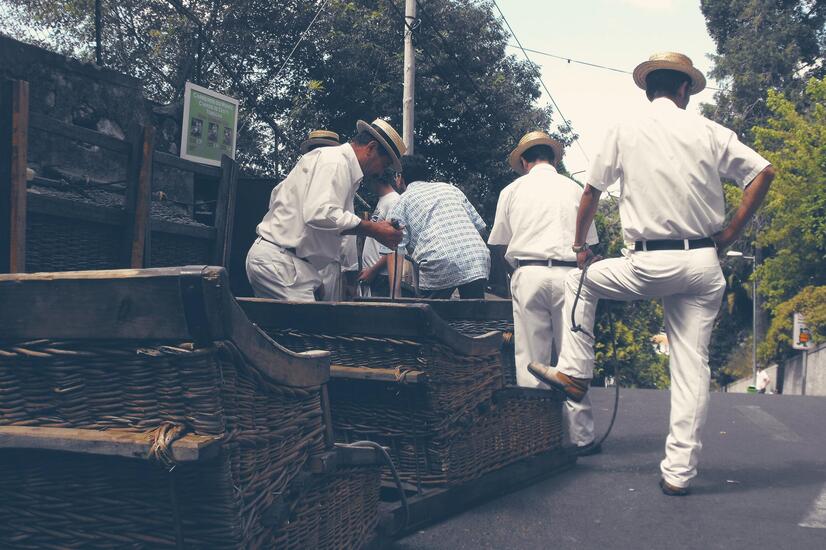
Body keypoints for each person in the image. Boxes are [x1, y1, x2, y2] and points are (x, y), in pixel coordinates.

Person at [528, 52, 775, 496]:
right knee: (690, 368)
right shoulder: (709, 130)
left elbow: (590, 194)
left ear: (648, 89)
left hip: (647, 263)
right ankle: (679, 474)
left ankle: (576, 373)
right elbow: (762, 172)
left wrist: (581, 245)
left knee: (578, 280)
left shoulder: (624, 129)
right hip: (702, 264)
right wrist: (731, 232)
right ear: (684, 90)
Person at [488, 131, 601, 456]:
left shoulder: (512, 190)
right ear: (555, 159)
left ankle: (533, 439)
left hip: (529, 271)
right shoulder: (574, 188)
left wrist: (514, 278)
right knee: (573, 355)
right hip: (570, 275)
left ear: (524, 161)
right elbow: (589, 245)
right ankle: (582, 438)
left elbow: (500, 244)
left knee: (531, 359)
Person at [246, 119, 406, 301]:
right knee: (310, 327)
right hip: (281, 262)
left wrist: (311, 276)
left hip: (287, 262)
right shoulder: (335, 163)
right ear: (370, 148)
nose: (379, 172)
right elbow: (320, 213)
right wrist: (373, 229)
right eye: (383, 165)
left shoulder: (336, 164)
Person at [388, 154, 490, 299]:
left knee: (431, 316)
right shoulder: (450, 189)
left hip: (439, 261)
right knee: (474, 316)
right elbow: (480, 228)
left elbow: (395, 248)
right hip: (476, 258)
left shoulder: (402, 201)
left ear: (400, 177)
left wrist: (394, 295)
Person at [358, 172, 401, 296]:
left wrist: (373, 271)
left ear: (375, 178)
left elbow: (395, 244)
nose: (365, 184)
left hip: (381, 275)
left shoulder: (394, 201)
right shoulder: (383, 200)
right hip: (375, 275)